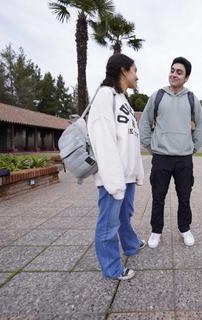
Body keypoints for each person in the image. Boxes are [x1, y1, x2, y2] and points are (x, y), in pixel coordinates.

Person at [139, 57, 202, 248]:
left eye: (179, 72)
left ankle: (185, 229)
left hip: (184, 158)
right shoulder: (157, 96)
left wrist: (194, 146)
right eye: (172, 70)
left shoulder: (191, 98)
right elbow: (144, 121)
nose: (174, 74)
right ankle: (156, 231)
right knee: (158, 196)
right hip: (161, 157)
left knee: (184, 196)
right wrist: (149, 144)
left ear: (186, 78)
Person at [88, 54, 145, 281]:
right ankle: (111, 268)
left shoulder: (123, 99)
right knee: (108, 225)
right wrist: (113, 181)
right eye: (134, 70)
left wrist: (137, 172)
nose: (137, 76)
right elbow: (103, 140)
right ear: (123, 71)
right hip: (114, 177)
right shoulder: (104, 96)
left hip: (128, 175)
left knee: (125, 216)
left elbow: (131, 137)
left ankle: (130, 245)